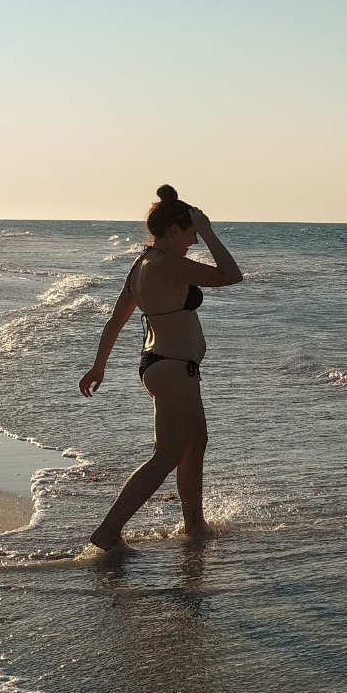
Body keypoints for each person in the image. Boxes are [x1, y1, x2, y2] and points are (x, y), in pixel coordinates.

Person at [79, 185, 243, 549]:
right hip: (172, 369)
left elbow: (116, 320)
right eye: (192, 234)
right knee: (167, 454)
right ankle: (108, 530)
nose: (196, 242)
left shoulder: (143, 263)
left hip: (164, 365)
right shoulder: (167, 264)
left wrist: (98, 366)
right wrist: (212, 231)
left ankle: (194, 526)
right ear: (172, 231)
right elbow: (232, 274)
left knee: (194, 443)